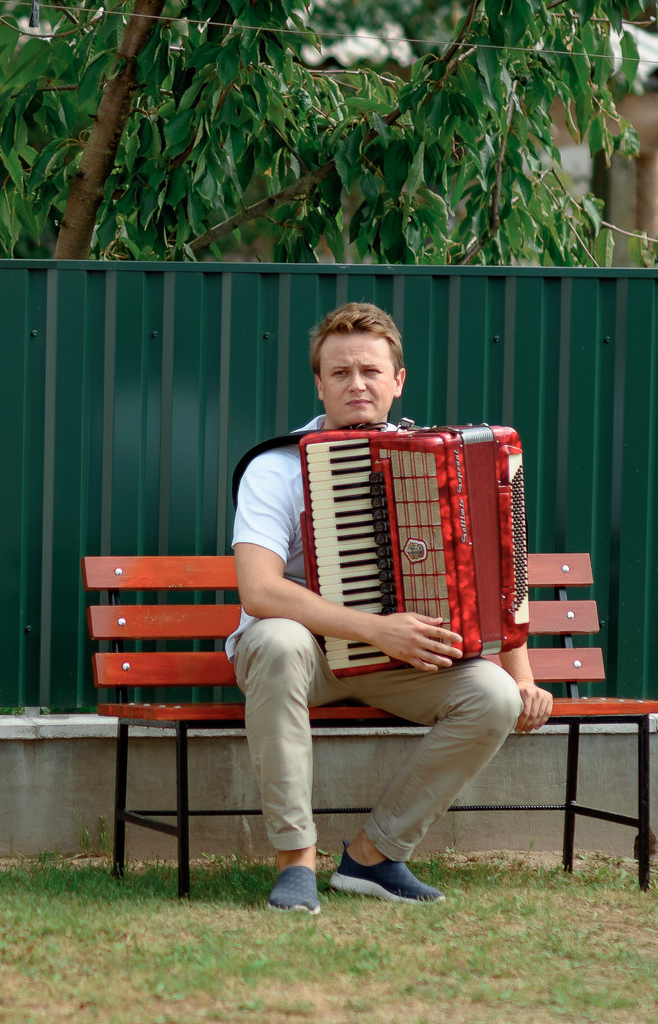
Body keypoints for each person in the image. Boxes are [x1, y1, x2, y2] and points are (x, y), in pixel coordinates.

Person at [230, 301, 552, 913]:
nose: (357, 384)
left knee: (492, 697)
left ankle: (373, 857)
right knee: (274, 639)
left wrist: (522, 674)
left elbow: (492, 570)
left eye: (371, 371)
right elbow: (260, 592)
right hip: (308, 658)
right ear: (318, 383)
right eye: (341, 372)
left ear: (398, 380)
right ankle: (295, 862)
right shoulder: (275, 467)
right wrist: (379, 629)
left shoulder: (437, 461)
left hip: (402, 659)